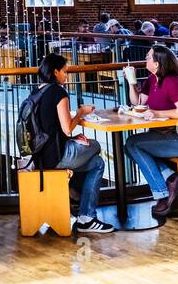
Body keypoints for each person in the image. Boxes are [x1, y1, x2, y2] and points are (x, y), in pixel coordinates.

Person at [26, 53, 113, 235]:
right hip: (58, 156)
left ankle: (85, 215)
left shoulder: (37, 92)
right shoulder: (59, 92)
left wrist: (73, 139)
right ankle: (83, 209)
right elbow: (66, 129)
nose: (67, 75)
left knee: (98, 163)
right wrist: (81, 112)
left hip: (41, 156)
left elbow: (51, 128)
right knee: (95, 145)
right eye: (65, 71)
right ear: (55, 72)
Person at [124, 45, 178, 222]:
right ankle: (170, 177)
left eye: (148, 57)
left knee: (132, 144)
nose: (145, 59)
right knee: (130, 146)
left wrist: (158, 113)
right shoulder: (153, 79)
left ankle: (162, 193)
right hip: (169, 134)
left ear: (158, 63)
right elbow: (138, 103)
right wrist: (131, 81)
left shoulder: (173, 82)